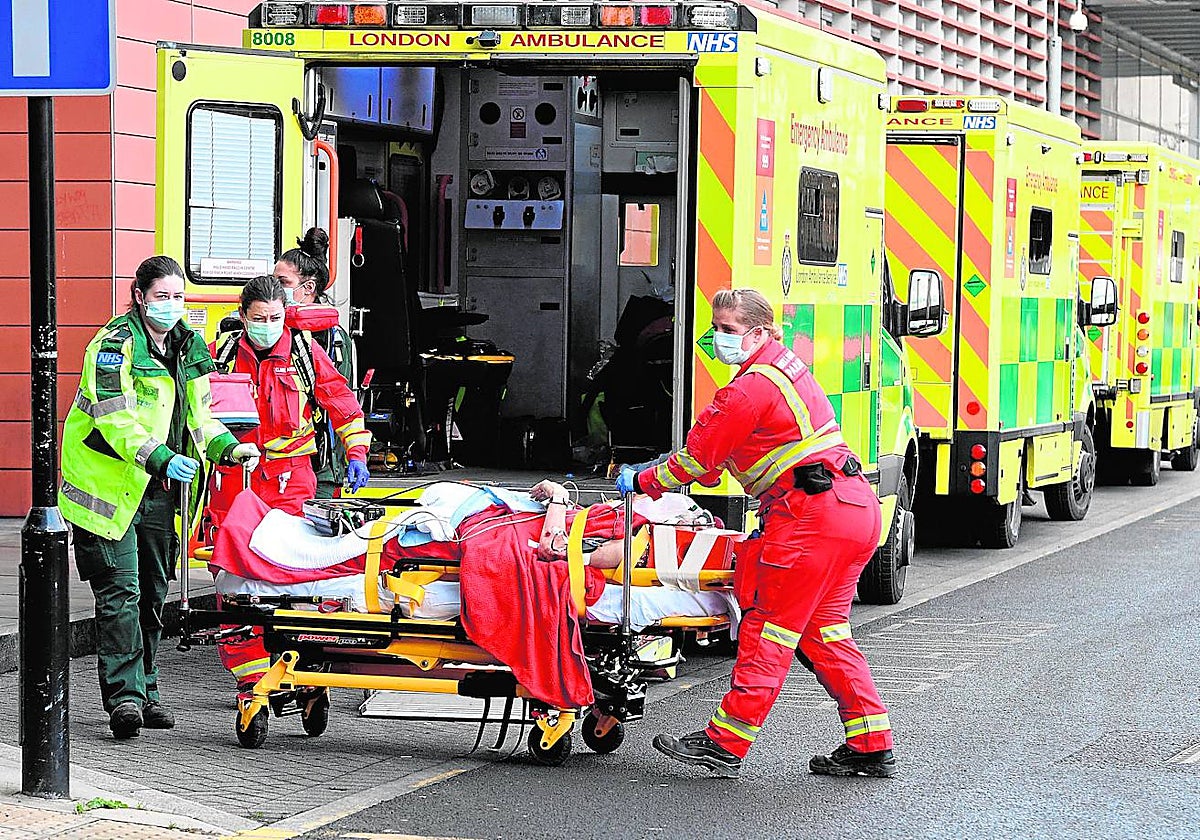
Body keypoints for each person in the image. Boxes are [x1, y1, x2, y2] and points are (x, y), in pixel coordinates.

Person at [616, 288, 895, 779]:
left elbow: (695, 463)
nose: (718, 338)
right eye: (716, 327)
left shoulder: (748, 389)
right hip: (853, 508)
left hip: (810, 518)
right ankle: (870, 742)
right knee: (825, 634)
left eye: (728, 329)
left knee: (769, 629)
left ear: (760, 332)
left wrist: (640, 480)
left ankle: (724, 743)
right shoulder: (786, 368)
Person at [59, 256, 260, 739]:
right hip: (107, 489)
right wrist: (162, 458)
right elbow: (113, 416)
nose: (171, 306)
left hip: (156, 492)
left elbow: (202, 417)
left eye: (178, 297)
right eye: (161, 296)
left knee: (152, 592)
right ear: (139, 296)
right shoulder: (112, 346)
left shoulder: (189, 347)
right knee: (121, 593)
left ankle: (147, 691)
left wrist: (229, 449)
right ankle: (124, 700)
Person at [212, 274, 371, 689]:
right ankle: (250, 673)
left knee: (290, 570)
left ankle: (302, 666)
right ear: (243, 317)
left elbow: (342, 404)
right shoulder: (222, 355)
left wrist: (355, 453)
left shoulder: (302, 351)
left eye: (276, 317)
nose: (268, 325)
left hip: (290, 478)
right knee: (231, 573)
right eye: (259, 318)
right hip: (235, 475)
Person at [272, 228, 355, 500]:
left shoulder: (334, 341)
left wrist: (352, 458)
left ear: (307, 287)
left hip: (322, 466)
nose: (274, 289)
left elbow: (341, 404)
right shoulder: (269, 332)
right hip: (277, 466)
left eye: (281, 282)